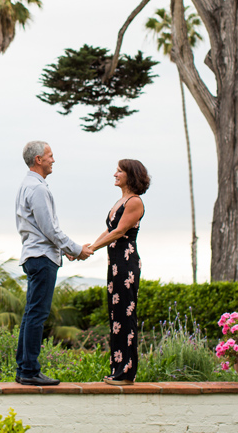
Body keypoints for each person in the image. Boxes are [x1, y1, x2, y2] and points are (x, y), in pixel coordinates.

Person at [15, 140, 92, 386]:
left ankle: (24, 369)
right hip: (41, 258)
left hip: (35, 255)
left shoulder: (27, 185)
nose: (53, 160)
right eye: (50, 155)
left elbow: (43, 229)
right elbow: (49, 228)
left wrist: (63, 249)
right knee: (37, 315)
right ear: (38, 159)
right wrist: (76, 249)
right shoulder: (37, 188)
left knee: (30, 314)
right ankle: (29, 371)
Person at [88, 159, 150, 385]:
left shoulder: (134, 202)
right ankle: (117, 370)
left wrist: (93, 248)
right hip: (114, 264)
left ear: (130, 175)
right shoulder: (120, 201)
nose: (115, 174)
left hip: (126, 265)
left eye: (119, 171)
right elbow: (109, 229)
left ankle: (126, 373)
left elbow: (120, 231)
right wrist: (88, 248)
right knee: (116, 317)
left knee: (125, 315)